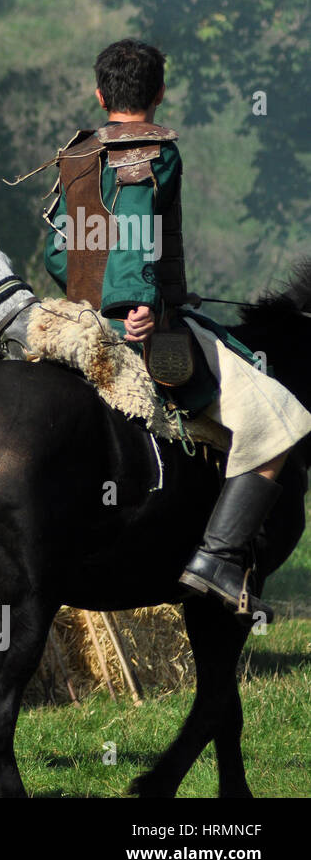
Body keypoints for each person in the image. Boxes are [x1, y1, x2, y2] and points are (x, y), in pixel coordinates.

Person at [31, 38, 311, 621]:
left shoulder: (78, 154)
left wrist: (105, 297)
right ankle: (218, 557)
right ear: (160, 93)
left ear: (99, 93)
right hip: (141, 326)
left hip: (81, 317)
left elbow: (62, 250)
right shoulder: (150, 151)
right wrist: (136, 302)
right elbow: (134, 223)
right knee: (282, 418)